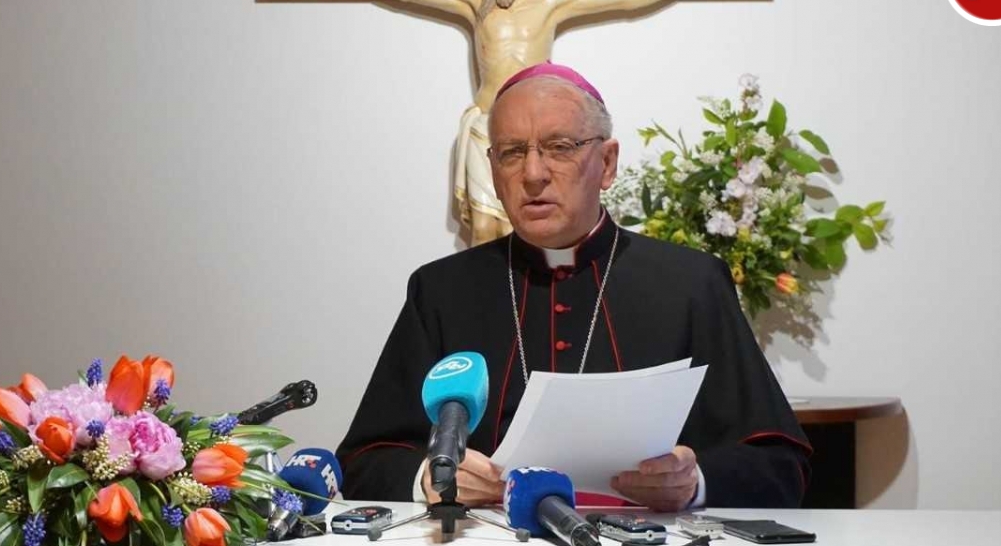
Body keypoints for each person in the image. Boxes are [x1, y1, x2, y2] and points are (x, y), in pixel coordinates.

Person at [335, 63, 811, 511]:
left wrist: (693, 482)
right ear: (493, 171)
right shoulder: (441, 290)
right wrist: (432, 478)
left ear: (607, 163)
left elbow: (779, 463)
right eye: (512, 152)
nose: (533, 174)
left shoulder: (692, 284)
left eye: (560, 147)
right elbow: (364, 461)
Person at [294, 0, 746, 246]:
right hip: (486, 127)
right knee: (485, 230)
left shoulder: (549, 2)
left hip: (535, 131)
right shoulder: (475, 2)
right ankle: (482, 312)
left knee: (526, 227)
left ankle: (527, 312)